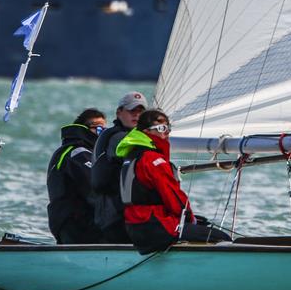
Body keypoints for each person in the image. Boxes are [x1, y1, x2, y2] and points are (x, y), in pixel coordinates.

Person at [116, 109, 231, 254]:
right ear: (146, 131)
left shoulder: (132, 156)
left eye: (168, 128)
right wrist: (189, 218)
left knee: (199, 228)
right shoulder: (153, 159)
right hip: (155, 226)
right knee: (222, 237)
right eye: (161, 128)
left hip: (136, 226)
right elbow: (173, 196)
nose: (167, 132)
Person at [90, 91, 147, 243]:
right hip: (117, 219)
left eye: (140, 112)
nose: (136, 115)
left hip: (109, 217)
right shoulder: (122, 138)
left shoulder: (109, 134)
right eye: (131, 111)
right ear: (119, 113)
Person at [47, 108, 106, 244]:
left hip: (67, 223)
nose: (102, 135)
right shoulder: (78, 153)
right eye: (99, 130)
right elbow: (95, 188)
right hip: (77, 225)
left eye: (104, 130)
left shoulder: (70, 150)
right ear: (85, 130)